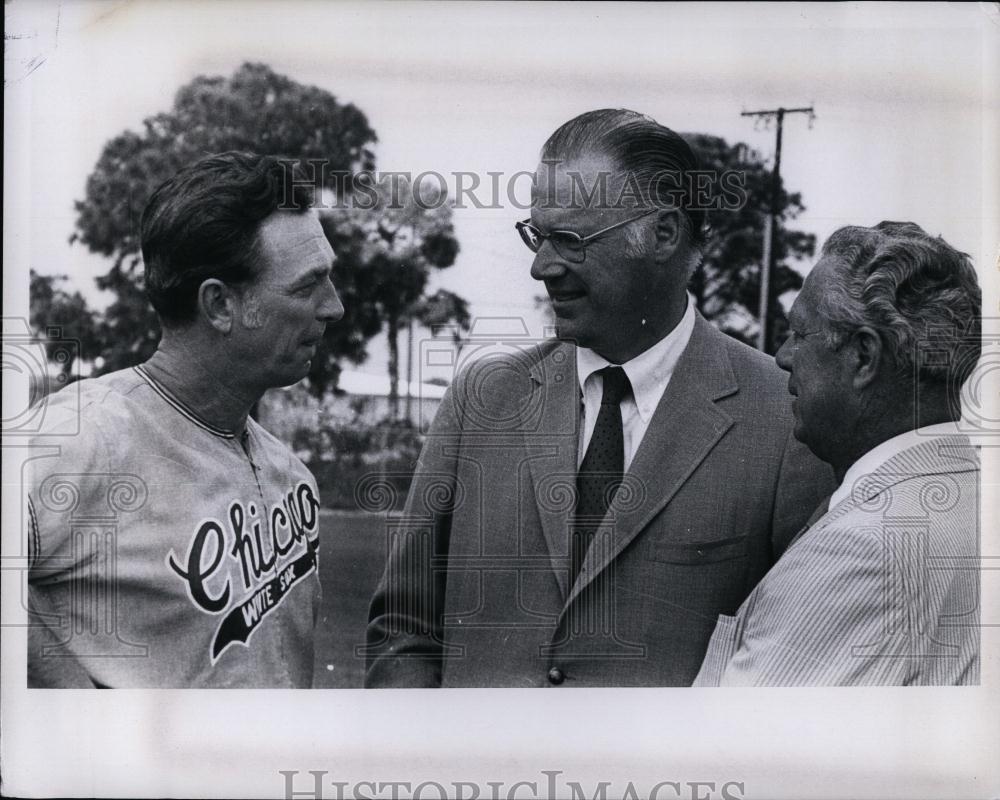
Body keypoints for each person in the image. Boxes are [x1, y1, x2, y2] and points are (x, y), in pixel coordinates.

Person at [365, 109, 834, 687]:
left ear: (663, 234)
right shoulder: (481, 399)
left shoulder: (784, 418)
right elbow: (404, 627)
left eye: (570, 240)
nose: (541, 267)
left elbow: (799, 663)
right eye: (538, 235)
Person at [26, 152, 344, 687]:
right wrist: (70, 699)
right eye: (306, 286)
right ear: (220, 304)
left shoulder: (290, 473)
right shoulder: (85, 433)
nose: (333, 307)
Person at [694, 221, 981, 686]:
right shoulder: (976, 503)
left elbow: (735, 748)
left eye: (800, 334)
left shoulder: (862, 545)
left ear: (864, 356)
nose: (783, 356)